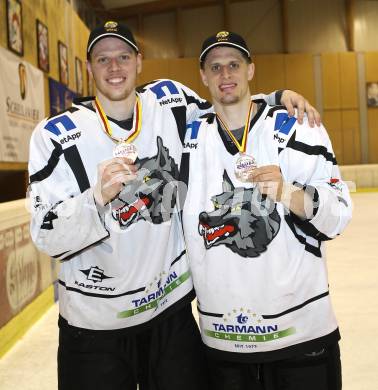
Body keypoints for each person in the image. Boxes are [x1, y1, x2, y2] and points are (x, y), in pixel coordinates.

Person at [28, 21, 321, 390]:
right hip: (95, 328)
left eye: (123, 57)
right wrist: (96, 198)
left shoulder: (170, 100)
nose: (114, 68)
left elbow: (226, 105)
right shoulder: (53, 136)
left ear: (139, 61)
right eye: (103, 59)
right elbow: (46, 235)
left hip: (172, 317)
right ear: (88, 67)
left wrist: (278, 97)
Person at [182, 31, 352, 390]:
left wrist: (290, 194)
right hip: (224, 343)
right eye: (215, 67)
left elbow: (338, 214)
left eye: (234, 65)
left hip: (301, 339)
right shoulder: (187, 138)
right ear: (203, 77)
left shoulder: (300, 127)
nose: (225, 75)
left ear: (251, 70)